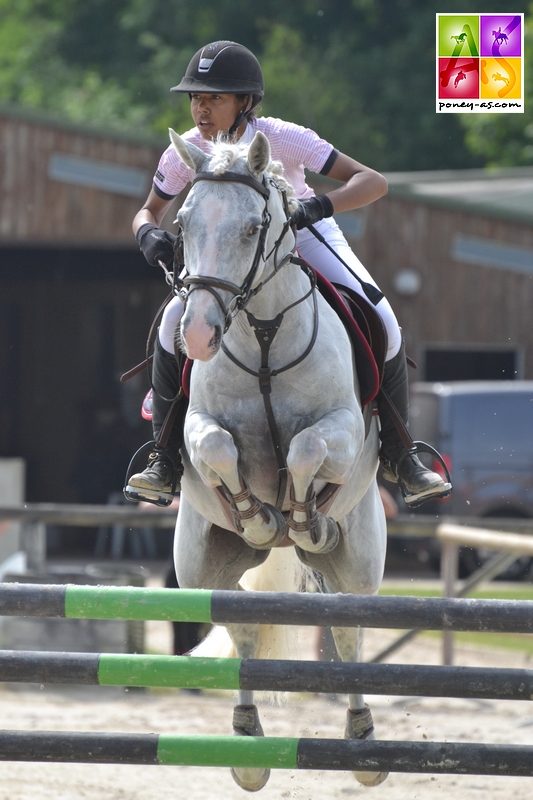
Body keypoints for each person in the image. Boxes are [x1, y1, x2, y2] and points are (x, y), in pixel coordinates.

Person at [125, 40, 451, 509]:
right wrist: (146, 234)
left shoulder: (283, 137)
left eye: (214, 97)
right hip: (231, 254)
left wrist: (319, 205)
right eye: (196, 97)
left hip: (302, 234)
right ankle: (164, 458)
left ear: (245, 102)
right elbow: (148, 210)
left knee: (382, 314)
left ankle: (401, 456)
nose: (201, 108)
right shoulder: (186, 152)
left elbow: (373, 182)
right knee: (174, 317)